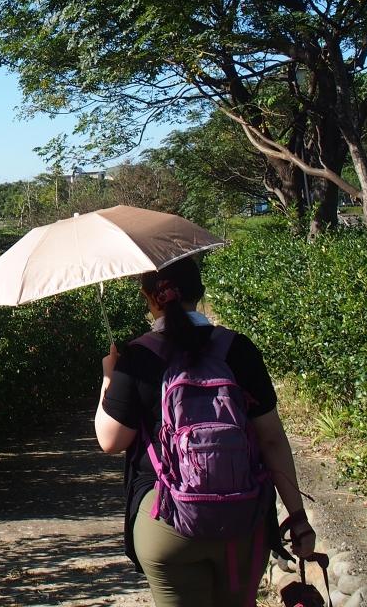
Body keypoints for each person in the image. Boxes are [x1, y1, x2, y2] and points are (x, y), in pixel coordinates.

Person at [94, 256, 316, 607]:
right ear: (199, 292)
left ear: (150, 298)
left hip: (167, 520)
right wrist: (298, 518)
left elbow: (110, 440)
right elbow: (272, 439)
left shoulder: (138, 357)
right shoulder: (238, 349)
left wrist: (109, 377)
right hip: (244, 518)